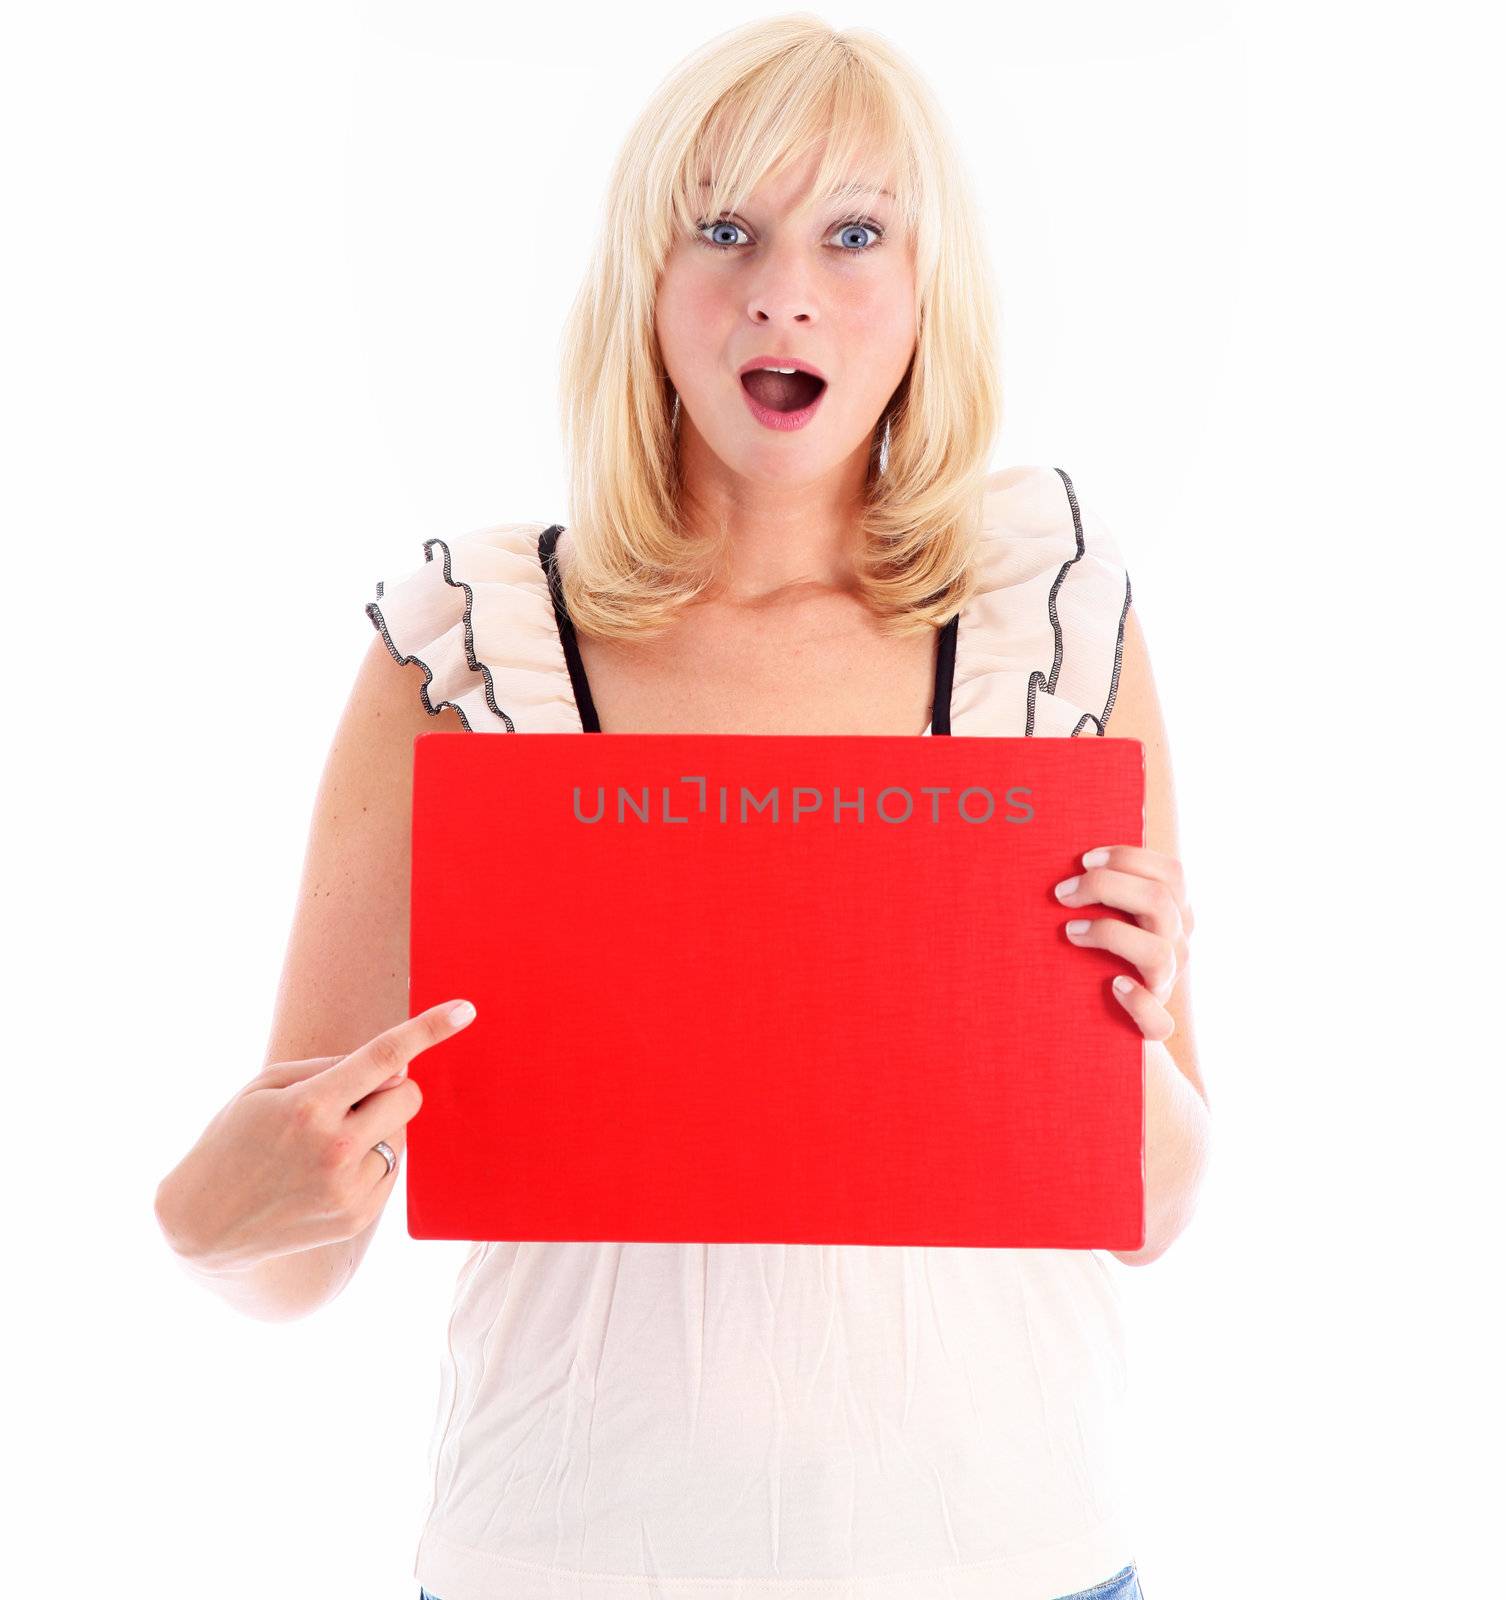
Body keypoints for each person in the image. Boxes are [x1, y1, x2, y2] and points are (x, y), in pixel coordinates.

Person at [153, 17, 1209, 1599]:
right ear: (646, 283)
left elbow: (1157, 1209)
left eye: (855, 233)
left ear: (930, 294)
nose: (785, 288)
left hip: (1019, 1557)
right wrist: (211, 1220)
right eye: (725, 229)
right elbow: (293, 1248)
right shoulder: (470, 643)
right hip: (559, 1561)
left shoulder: (1045, 617)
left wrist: (1128, 1013)